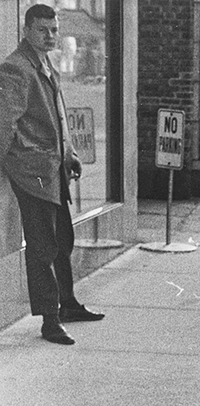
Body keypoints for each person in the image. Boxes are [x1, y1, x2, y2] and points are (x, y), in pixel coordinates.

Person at [0, 4, 104, 345]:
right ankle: (50, 320)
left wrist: (70, 153)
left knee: (63, 240)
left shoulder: (43, 63)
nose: (51, 36)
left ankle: (68, 303)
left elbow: (58, 116)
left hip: (54, 168)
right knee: (43, 246)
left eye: (54, 30)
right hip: (34, 174)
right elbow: (4, 125)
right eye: (43, 30)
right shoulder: (16, 69)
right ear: (27, 29)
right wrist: (14, 162)